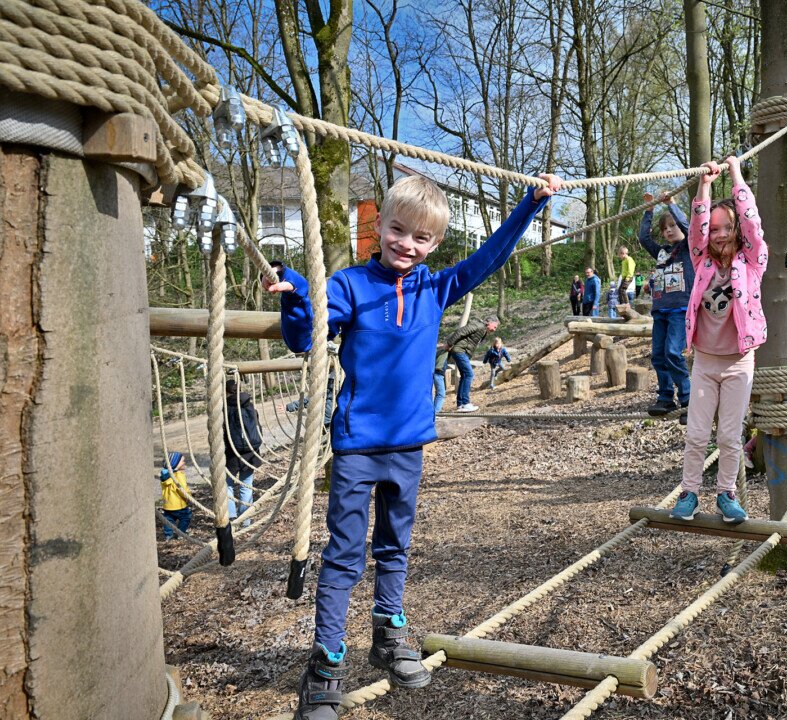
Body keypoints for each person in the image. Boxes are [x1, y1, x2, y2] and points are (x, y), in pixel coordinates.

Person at [265, 171, 563, 720]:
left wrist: (531, 203)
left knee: (395, 547)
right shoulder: (351, 284)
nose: (408, 244)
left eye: (422, 238)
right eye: (399, 230)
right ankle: (327, 661)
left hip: (409, 447)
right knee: (344, 556)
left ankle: (387, 633)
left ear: (434, 244)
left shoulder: (435, 287)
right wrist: (297, 297)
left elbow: (491, 257)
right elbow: (304, 339)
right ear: (381, 227)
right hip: (357, 445)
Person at [670, 155, 766, 526]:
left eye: (728, 228)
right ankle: (689, 492)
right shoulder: (701, 263)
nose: (721, 233)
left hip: (739, 360)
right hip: (706, 361)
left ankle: (726, 494)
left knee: (729, 436)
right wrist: (706, 186)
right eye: (716, 228)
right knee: (695, 434)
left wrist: (736, 175)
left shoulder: (753, 261)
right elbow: (696, 227)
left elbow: (753, 223)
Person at [639, 191, 695, 416]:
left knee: (673, 352)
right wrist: (649, 211)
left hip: (680, 308)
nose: (669, 230)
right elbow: (644, 239)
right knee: (659, 355)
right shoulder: (662, 252)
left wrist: (671, 204)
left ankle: (688, 399)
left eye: (673, 225)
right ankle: (665, 398)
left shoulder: (691, 247)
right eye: (665, 228)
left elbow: (689, 227)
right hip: (660, 309)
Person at [223, 378, 262, 527]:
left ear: (226, 390)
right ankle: (246, 520)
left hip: (231, 453)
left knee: (228, 485)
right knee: (246, 485)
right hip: (250, 453)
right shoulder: (250, 406)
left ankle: (232, 517)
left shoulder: (224, 409)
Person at [446, 317, 499, 412]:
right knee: (469, 374)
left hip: (462, 352)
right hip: (459, 350)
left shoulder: (483, 331)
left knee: (464, 376)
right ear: (489, 323)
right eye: (494, 327)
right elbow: (461, 331)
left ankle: (461, 405)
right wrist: (449, 344)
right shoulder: (478, 325)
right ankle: (466, 403)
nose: (494, 329)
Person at [159, 452, 192, 540]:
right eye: (182, 461)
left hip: (168, 505)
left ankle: (168, 535)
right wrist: (189, 496)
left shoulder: (164, 475)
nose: (184, 462)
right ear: (175, 465)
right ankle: (181, 533)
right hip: (179, 504)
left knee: (168, 520)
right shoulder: (178, 475)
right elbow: (182, 489)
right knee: (186, 517)